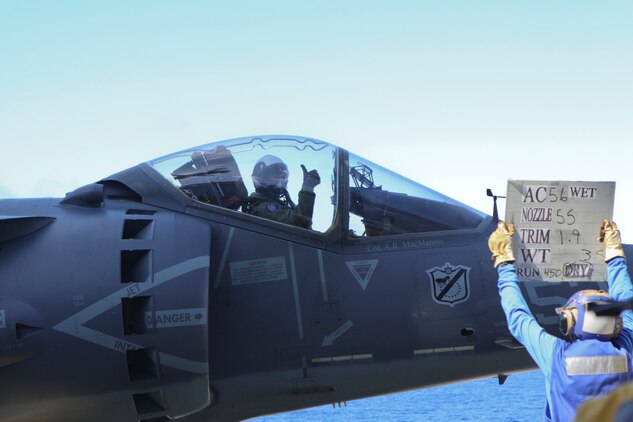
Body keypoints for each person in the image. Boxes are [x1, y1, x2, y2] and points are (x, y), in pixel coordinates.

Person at [488, 220, 633, 422]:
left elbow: (517, 316)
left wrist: (503, 261)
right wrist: (614, 251)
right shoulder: (626, 349)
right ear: (615, 325)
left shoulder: (556, 355)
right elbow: (625, 296)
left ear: (569, 321)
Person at [246, 155, 320, 229]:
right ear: (262, 177)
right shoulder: (264, 209)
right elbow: (300, 224)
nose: (281, 178)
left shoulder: (275, 204)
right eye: (275, 173)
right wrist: (307, 189)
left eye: (283, 175)